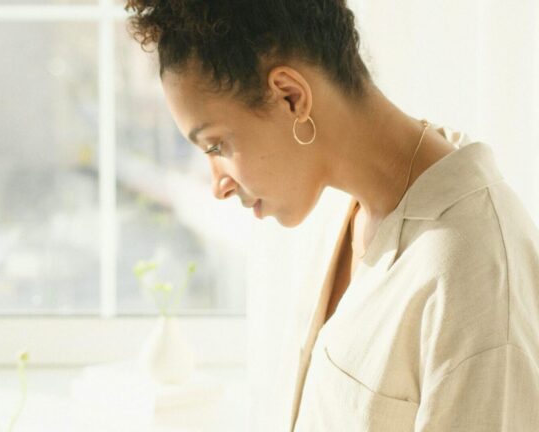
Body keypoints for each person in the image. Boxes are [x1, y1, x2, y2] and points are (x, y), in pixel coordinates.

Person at [124, 1, 539, 431]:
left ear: (290, 96)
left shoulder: (476, 274)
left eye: (216, 146)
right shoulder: (335, 207)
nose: (218, 185)